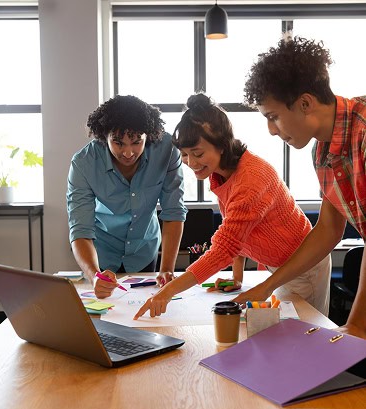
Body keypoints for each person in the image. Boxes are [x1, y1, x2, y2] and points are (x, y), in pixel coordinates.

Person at [133, 93, 331, 320]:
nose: (191, 162)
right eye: (185, 155)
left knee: (300, 337)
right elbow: (236, 231)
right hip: (276, 266)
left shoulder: (251, 179)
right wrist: (237, 279)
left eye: (197, 153)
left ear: (222, 146)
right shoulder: (222, 174)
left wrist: (167, 292)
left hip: (303, 267)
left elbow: (225, 248)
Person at [240, 35, 366, 339]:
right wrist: (267, 286)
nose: (271, 130)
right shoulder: (322, 153)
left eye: (273, 117)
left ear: (305, 103)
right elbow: (327, 231)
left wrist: (359, 324)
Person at [67, 95, 187, 299]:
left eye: (136, 142)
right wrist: (94, 276)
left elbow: (173, 211)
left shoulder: (166, 150)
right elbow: (80, 229)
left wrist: (167, 268)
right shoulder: (83, 163)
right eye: (118, 143)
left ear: (148, 135)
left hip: (144, 250)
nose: (128, 152)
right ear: (104, 136)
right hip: (101, 254)